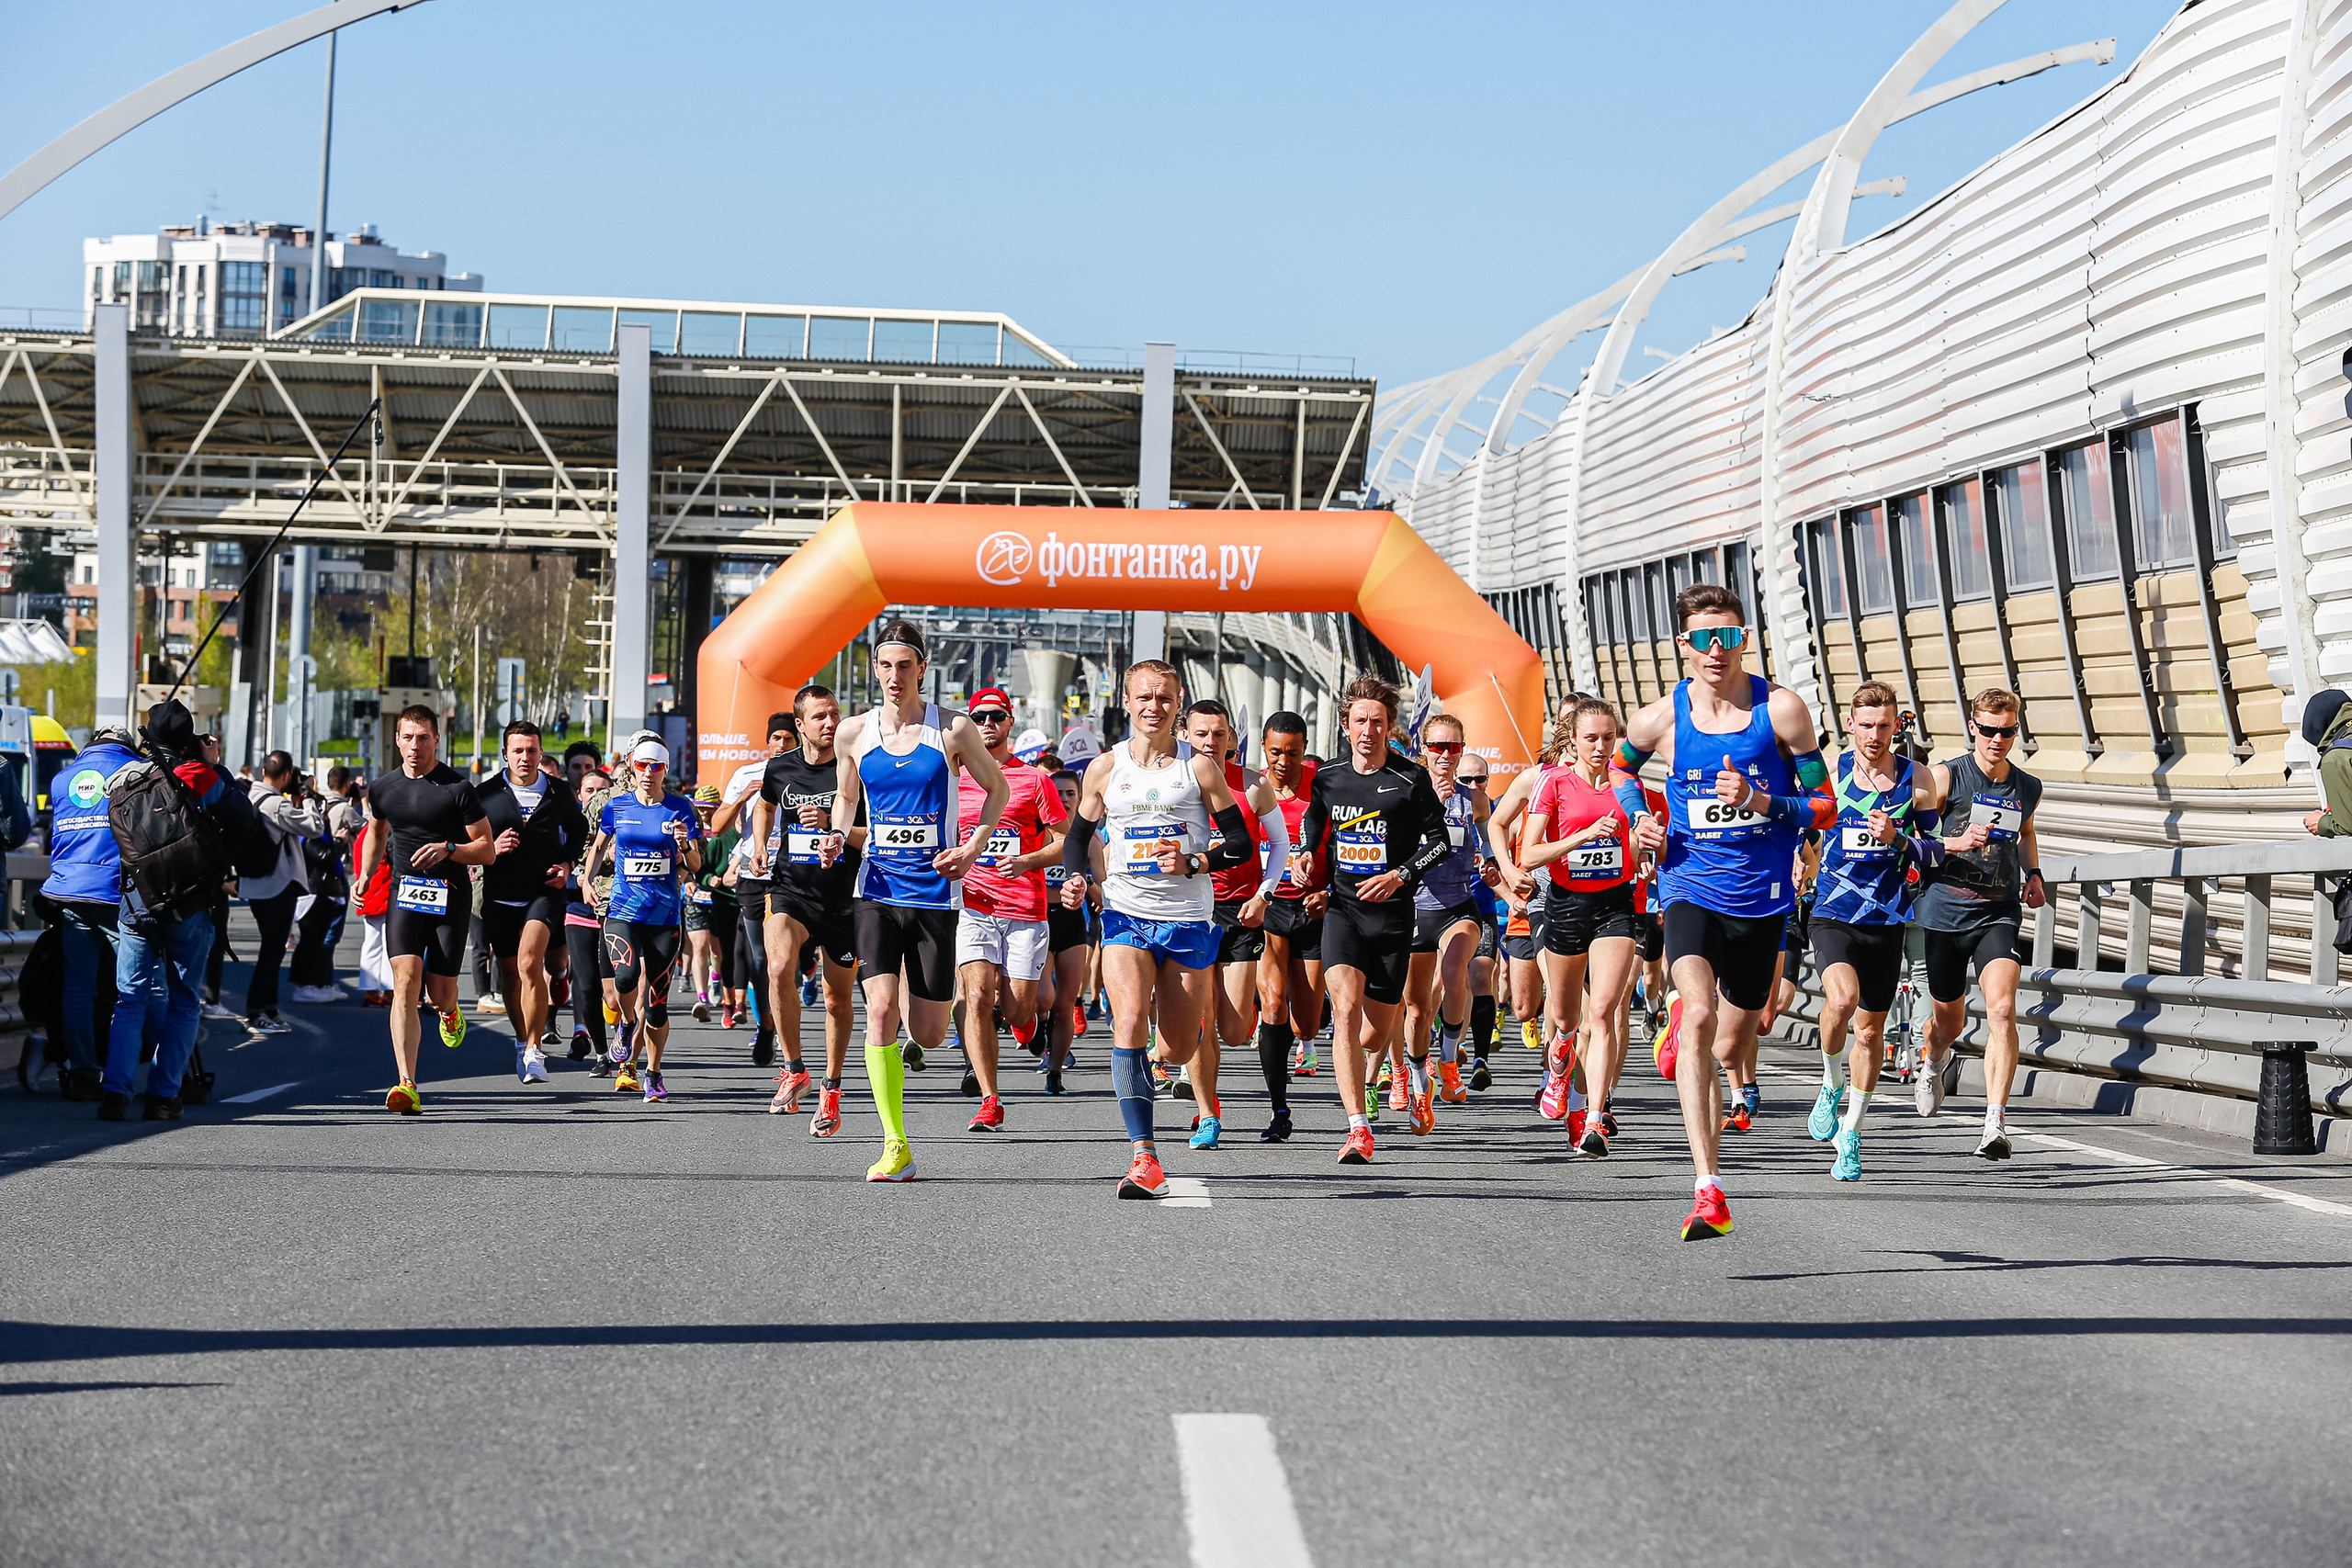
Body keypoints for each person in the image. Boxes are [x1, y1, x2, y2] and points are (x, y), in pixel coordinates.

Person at [1618, 583, 1831, 1239]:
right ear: (1683, 645)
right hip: (1688, 888)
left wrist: (1763, 802)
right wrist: (1639, 822)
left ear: (1745, 639)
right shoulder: (1660, 717)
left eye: (1730, 635)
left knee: (1739, 1038)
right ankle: (1707, 1186)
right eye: (1705, 638)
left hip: (1761, 900)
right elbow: (1623, 773)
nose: (1718, 649)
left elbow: (1825, 805)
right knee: (1702, 1019)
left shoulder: (1783, 711)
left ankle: (1686, 1027)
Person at [820, 621, 1010, 1181]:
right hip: (876, 889)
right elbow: (845, 796)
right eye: (885, 666)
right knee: (878, 1009)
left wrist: (971, 849)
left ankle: (923, 1016)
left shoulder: (951, 730)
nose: (895, 676)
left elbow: (996, 789)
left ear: (922, 669)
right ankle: (894, 1143)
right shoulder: (853, 733)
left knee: (926, 1031)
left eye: (906, 666)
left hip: (934, 892)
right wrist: (836, 834)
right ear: (874, 669)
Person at [1057, 659, 1253, 1195]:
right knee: (1128, 1026)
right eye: (1144, 696)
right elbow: (1078, 838)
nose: (1154, 707)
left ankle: (1154, 1071)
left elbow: (1240, 845)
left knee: (1176, 1047)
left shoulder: (1199, 768)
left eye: (1164, 698)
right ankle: (1144, 1156)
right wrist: (1076, 878)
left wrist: (1193, 861)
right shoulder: (1104, 768)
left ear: (1179, 702)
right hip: (1125, 914)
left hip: (1187, 919)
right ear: (1127, 699)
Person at [1295, 675, 1453, 1163]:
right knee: (1342, 1012)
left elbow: (1440, 842)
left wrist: (1400, 875)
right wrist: (1303, 858)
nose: (1369, 730)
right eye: (1360, 721)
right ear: (1346, 726)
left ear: (1390, 727)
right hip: (1343, 911)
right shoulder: (1327, 778)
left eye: (1378, 722)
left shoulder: (1411, 778)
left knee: (1372, 1034)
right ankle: (1358, 1127)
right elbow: (1314, 834)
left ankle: (1398, 1069)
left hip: (1392, 918)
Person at [1804, 682, 1943, 1180]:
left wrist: (1900, 839)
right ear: (1850, 724)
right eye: (1866, 725)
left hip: (1887, 918)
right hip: (1833, 909)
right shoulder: (1827, 770)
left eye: (1885, 726)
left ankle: (1852, 1133)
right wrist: (1801, 855)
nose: (1875, 735)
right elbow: (1804, 826)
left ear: (1896, 727)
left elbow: (1936, 851)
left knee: (1869, 1030)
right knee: (1841, 1002)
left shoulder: (1918, 778)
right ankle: (1829, 1082)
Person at [1509, 698, 1640, 1156]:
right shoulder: (1554, 783)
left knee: (1603, 1012)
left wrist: (1645, 850)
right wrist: (1584, 836)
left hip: (1616, 905)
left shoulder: (1630, 786)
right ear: (1575, 740)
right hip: (1565, 904)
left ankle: (1596, 1119)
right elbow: (1528, 854)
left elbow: (1640, 852)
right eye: (1592, 738)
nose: (1601, 747)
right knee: (1566, 1019)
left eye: (1609, 737)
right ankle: (1560, 1057)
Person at [1917, 688, 2045, 1160]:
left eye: (2007, 731)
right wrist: (1955, 840)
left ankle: (1994, 1123)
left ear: (2016, 730)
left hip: (1998, 910)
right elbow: (1914, 835)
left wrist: (2033, 874)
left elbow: (2027, 832)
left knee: (2003, 1009)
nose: (1997, 739)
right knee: (1947, 1023)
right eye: (1989, 730)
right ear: (1972, 727)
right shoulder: (1946, 776)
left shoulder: (2027, 786)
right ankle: (1933, 1058)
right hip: (1945, 910)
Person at [97, 699, 235, 1122]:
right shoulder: (197, 774)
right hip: (188, 903)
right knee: (181, 1001)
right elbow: (239, 815)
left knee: (130, 1000)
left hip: (137, 903)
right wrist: (213, 763)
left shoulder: (121, 781)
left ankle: (115, 1094)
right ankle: (162, 1096)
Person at [357, 705, 497, 1114]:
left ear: (437, 739)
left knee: (439, 994)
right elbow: (377, 831)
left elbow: (487, 851)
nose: (414, 745)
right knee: (405, 981)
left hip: (450, 898)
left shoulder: (458, 788)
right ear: (396, 740)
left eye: (423, 737)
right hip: (405, 896)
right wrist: (365, 875)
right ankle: (406, 1083)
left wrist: (450, 849)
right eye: (407, 737)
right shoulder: (383, 788)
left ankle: (451, 1012)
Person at [951, 685, 1069, 1131]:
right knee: (977, 995)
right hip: (973, 903)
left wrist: (1026, 861)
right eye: (979, 716)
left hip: (1025, 908)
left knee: (1018, 1009)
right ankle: (989, 1097)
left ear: (1009, 723)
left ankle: (1024, 1022)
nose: (987, 724)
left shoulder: (1035, 780)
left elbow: (1065, 841)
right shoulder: (953, 776)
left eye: (996, 717)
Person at [749, 694, 862, 1131]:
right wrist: (760, 844)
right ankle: (794, 1068)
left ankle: (831, 1087)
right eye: (820, 716)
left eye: (835, 714)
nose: (830, 722)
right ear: (800, 724)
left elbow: (875, 833)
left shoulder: (856, 769)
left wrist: (836, 827)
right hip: (790, 889)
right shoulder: (781, 768)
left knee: (837, 998)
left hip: (844, 897)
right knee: (778, 965)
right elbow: (764, 804)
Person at [1177, 699, 1284, 1150]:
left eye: (1219, 735)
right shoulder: (1174, 783)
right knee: (1200, 1017)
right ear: (1186, 735)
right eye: (1201, 734)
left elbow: (1278, 844)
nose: (1210, 743)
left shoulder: (1253, 787)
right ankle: (1208, 1113)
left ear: (1231, 740)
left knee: (1236, 1029)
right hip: (1190, 910)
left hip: (1241, 912)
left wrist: (1264, 895)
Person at [582, 738, 702, 1102]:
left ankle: (653, 1072)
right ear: (632, 768)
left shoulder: (680, 808)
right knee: (625, 975)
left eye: (657, 767)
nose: (648, 773)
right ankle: (626, 1024)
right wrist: (586, 881)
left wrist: (684, 845)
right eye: (642, 766)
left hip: (664, 915)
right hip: (622, 910)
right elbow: (599, 846)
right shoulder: (616, 807)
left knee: (658, 1004)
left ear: (665, 771)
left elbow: (696, 864)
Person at [475, 721, 589, 1084]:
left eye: (532, 750)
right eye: (518, 750)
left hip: (543, 891)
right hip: (499, 893)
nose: (525, 757)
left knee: (528, 964)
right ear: (506, 753)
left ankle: (534, 1050)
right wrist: (489, 850)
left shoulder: (558, 791)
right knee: (510, 973)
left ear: (541, 753)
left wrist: (568, 863)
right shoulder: (486, 793)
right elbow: (466, 838)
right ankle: (521, 1039)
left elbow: (579, 829)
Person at [39, 723, 141, 1100]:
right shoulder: (133, 775)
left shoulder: (62, 779)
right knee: (138, 987)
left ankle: (83, 1073)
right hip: (116, 894)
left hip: (69, 892)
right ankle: (138, 1073)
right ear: (125, 747)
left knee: (77, 989)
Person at [1402, 712, 1490, 1114]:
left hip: (1458, 906)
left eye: (1453, 747)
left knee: (1456, 972)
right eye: (1437, 746)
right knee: (1417, 1009)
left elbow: (1490, 843)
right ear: (1424, 749)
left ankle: (1451, 1058)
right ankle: (1415, 1074)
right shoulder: (1403, 793)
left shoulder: (1471, 799)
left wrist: (1500, 871)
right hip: (1412, 909)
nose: (1445, 755)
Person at [1253, 712, 1325, 1136]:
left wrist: (1327, 891)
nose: (1284, 761)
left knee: (1307, 1022)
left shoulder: (1323, 786)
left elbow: (1347, 845)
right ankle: (1279, 1110)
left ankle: (1307, 1042)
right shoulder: (1254, 788)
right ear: (1265, 747)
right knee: (1274, 1003)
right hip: (1272, 906)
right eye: (1276, 752)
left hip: (1315, 908)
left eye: (1293, 753)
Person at [712, 716, 792, 1069]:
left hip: (795, 874)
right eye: (776, 737)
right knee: (763, 958)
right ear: (767, 741)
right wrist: (745, 795)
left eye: (789, 737)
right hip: (754, 874)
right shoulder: (747, 774)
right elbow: (717, 826)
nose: (782, 744)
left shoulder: (810, 771)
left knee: (792, 959)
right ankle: (766, 1027)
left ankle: (789, 1009)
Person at [239, 750, 327, 1035]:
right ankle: (255, 1013)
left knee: (273, 949)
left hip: (255, 885)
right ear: (287, 775)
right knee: (272, 952)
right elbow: (314, 828)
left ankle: (271, 1009)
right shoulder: (275, 804)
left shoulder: (248, 795)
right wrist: (310, 798)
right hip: (277, 886)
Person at [1035, 767, 1097, 1096]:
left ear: (1080, 797)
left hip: (1073, 923)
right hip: (1039, 920)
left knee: (1065, 1004)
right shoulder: (1039, 837)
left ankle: (1055, 1070)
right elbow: (1025, 881)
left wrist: (1088, 884)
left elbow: (1100, 882)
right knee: (1043, 996)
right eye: (1056, 794)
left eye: (1070, 794)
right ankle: (1037, 1028)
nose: (1063, 799)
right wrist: (1059, 891)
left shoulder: (1091, 838)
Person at [288, 764, 362, 1005]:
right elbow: (323, 854)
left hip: (321, 885)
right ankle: (309, 984)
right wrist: (340, 843)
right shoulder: (311, 831)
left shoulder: (313, 827)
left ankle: (318, 983)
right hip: (316, 887)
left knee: (317, 938)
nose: (324, 812)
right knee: (315, 939)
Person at [564, 764, 619, 1068]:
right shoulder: (571, 827)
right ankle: (601, 1053)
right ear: (580, 795)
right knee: (586, 985)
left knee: (613, 992)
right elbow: (560, 867)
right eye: (590, 791)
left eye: (602, 791)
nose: (596, 796)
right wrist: (579, 878)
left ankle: (621, 1038)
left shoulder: (620, 823)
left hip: (612, 912)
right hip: (579, 912)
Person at [685, 784, 744, 1027]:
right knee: (702, 947)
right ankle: (703, 998)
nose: (704, 813)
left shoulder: (728, 833)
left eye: (709, 808)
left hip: (728, 900)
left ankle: (723, 986)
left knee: (725, 953)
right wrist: (700, 879)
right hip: (700, 898)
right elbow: (690, 864)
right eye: (700, 808)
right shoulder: (693, 829)